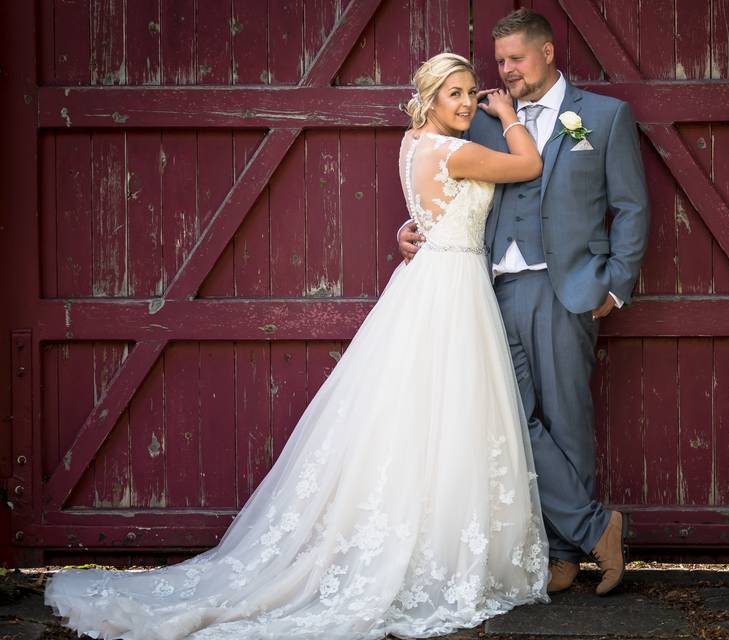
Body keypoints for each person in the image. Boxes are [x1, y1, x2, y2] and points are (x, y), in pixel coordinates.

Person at [45, 52, 550, 640]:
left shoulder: (412, 143)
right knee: (444, 412)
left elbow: (430, 211)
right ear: (432, 97)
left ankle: (430, 534)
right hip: (452, 289)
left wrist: (410, 232)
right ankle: (433, 551)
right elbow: (529, 164)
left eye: (470, 93)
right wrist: (508, 113)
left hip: (431, 279)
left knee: (417, 417)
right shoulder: (458, 150)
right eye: (455, 94)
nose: (466, 104)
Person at [400, 8, 650, 597]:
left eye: (516, 58)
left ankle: (567, 555)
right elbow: (443, 184)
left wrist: (615, 284)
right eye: (501, 61)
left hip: (568, 289)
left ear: (547, 53)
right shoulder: (484, 120)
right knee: (507, 420)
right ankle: (593, 530)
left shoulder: (603, 117)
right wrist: (413, 233)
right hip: (489, 290)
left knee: (566, 421)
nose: (506, 70)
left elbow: (633, 207)